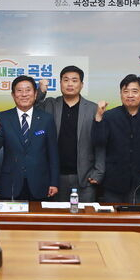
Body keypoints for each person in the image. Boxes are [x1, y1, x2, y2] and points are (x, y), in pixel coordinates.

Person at [36, 66, 104, 202]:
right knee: (55, 215)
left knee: (85, 215)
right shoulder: (50, 104)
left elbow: (100, 143)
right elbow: (31, 108)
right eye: (66, 80)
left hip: (85, 177)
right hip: (54, 178)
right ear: (60, 83)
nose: (70, 84)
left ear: (81, 84)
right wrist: (41, 91)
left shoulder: (93, 109)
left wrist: (98, 172)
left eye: (74, 80)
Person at [92, 74, 140, 204]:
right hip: (113, 184)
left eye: (134, 91)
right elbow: (98, 141)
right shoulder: (109, 116)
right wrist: (99, 117)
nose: (130, 95)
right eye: (126, 91)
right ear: (121, 94)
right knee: (113, 216)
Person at [0, 75, 59, 200]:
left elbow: (53, 153)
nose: (24, 94)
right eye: (19, 90)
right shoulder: (3, 117)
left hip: (40, 183)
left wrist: (54, 182)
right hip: (11, 183)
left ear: (35, 94)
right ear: (13, 95)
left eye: (28, 90)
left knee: (39, 213)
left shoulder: (46, 119)